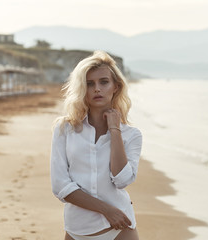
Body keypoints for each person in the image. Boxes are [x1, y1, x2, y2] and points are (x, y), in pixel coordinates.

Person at [50, 50, 142, 240]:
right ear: (82, 88)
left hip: (120, 229)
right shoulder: (64, 129)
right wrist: (107, 210)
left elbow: (122, 180)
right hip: (78, 229)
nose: (97, 89)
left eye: (104, 82)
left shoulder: (131, 135)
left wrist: (115, 130)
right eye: (89, 84)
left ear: (116, 86)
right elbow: (60, 186)